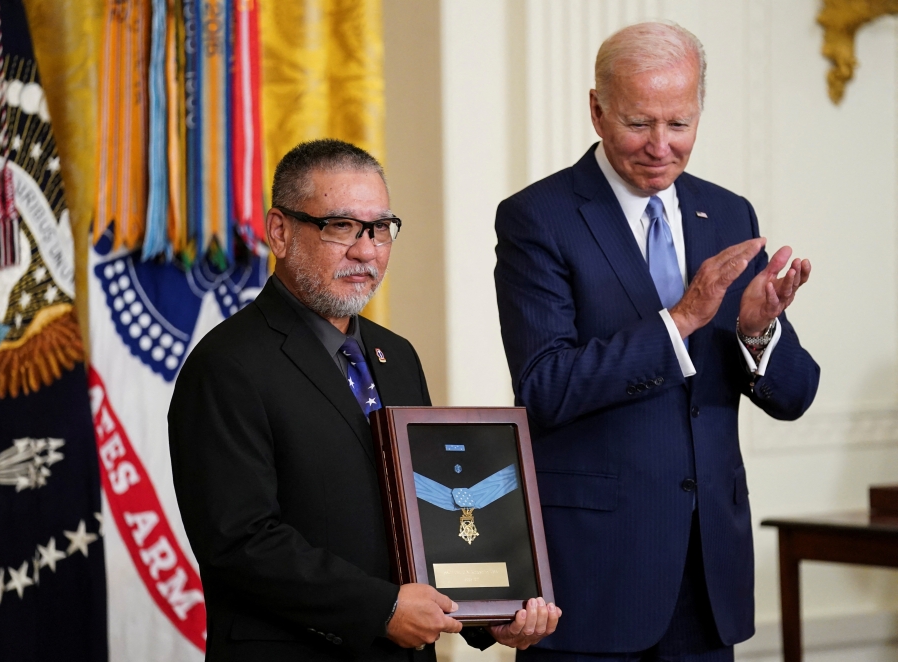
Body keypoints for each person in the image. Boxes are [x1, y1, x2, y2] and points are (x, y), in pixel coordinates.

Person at [494, 22, 820, 662]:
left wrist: (757, 331)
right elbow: (545, 387)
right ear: (597, 110)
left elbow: (795, 396)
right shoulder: (539, 217)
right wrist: (682, 320)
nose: (660, 146)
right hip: (596, 576)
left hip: (709, 575)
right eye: (639, 123)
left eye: (680, 124)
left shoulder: (729, 214)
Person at [169, 139, 560, 661]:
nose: (366, 250)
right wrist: (381, 608)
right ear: (279, 232)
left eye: (379, 228)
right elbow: (239, 542)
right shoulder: (226, 364)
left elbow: (427, 513)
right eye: (341, 226)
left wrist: (491, 613)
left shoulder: (396, 356)